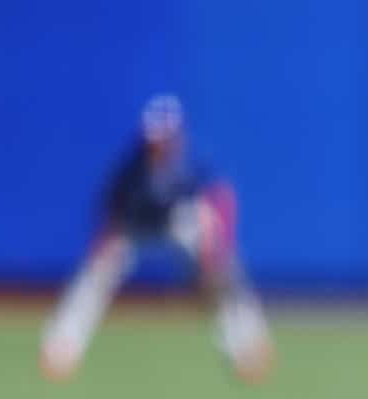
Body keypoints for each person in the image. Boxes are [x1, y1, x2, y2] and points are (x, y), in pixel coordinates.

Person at [40, 94, 273, 383]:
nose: (158, 144)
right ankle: (62, 347)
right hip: (134, 225)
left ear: (176, 135)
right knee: (97, 272)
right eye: (153, 138)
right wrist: (103, 248)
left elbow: (221, 199)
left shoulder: (193, 161)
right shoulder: (130, 169)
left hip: (179, 221)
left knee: (219, 271)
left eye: (164, 137)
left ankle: (245, 344)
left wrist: (215, 247)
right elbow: (111, 214)